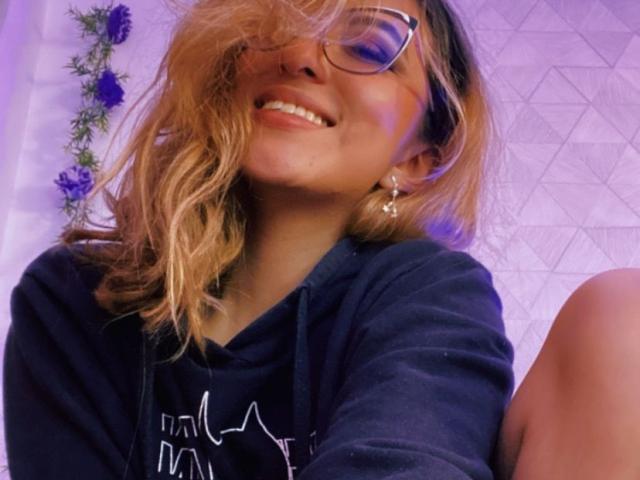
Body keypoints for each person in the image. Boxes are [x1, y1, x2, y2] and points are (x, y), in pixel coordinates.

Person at [3, 0, 522, 478]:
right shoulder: (71, 302)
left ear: (416, 161)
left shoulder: (434, 298)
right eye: (279, 26)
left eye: (368, 48)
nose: (299, 56)